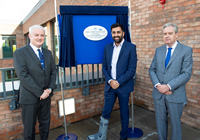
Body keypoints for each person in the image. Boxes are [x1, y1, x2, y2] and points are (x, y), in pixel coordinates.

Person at [88, 23, 137, 140]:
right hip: (110, 86)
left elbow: (131, 70)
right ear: (111, 34)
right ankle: (101, 135)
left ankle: (123, 137)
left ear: (123, 33)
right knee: (105, 111)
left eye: (118, 32)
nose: (116, 35)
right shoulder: (108, 47)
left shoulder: (131, 47)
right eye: (114, 32)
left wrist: (118, 82)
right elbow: (104, 67)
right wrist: (110, 81)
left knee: (124, 114)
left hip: (123, 87)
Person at [149, 23, 193, 140]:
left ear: (176, 35)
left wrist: (168, 86)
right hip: (159, 94)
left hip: (175, 95)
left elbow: (186, 74)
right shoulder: (159, 50)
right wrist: (159, 86)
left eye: (170, 33)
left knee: (176, 126)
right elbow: (152, 69)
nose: (167, 36)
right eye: (164, 34)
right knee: (160, 124)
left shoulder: (186, 50)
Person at [13, 25, 56, 140]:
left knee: (45, 125)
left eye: (42, 35)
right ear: (30, 36)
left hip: (46, 95)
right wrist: (39, 92)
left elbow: (53, 72)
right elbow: (23, 76)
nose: (39, 37)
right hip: (29, 98)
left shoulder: (48, 53)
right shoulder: (20, 53)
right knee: (29, 129)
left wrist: (50, 89)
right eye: (36, 35)